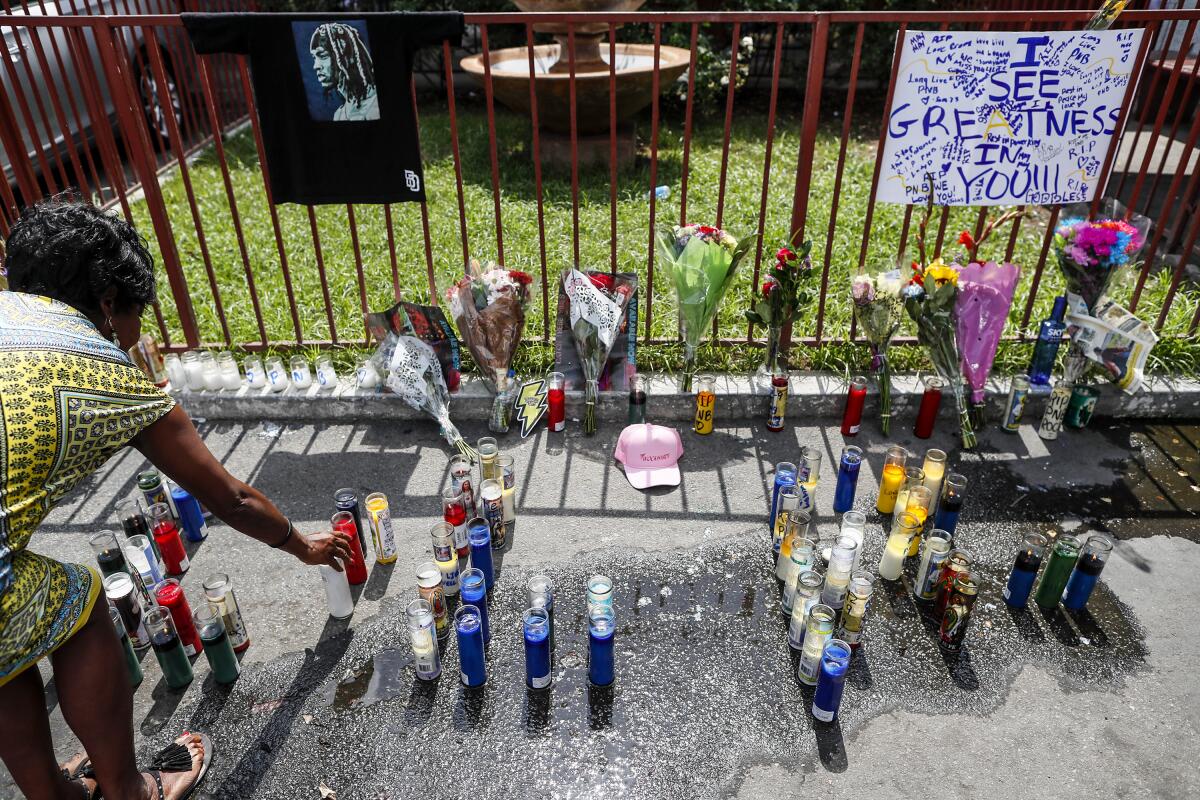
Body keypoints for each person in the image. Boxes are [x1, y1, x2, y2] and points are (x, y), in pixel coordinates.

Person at [0, 197, 354, 800]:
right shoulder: (103, 371)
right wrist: (304, 547)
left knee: (11, 638)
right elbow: (231, 498)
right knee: (81, 606)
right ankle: (128, 790)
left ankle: (49, 793)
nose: (138, 333)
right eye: (138, 312)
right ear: (108, 302)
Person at [309, 21, 379, 122]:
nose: (316, 66)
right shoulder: (339, 115)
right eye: (314, 58)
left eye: (322, 56)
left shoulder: (375, 104)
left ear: (345, 56)